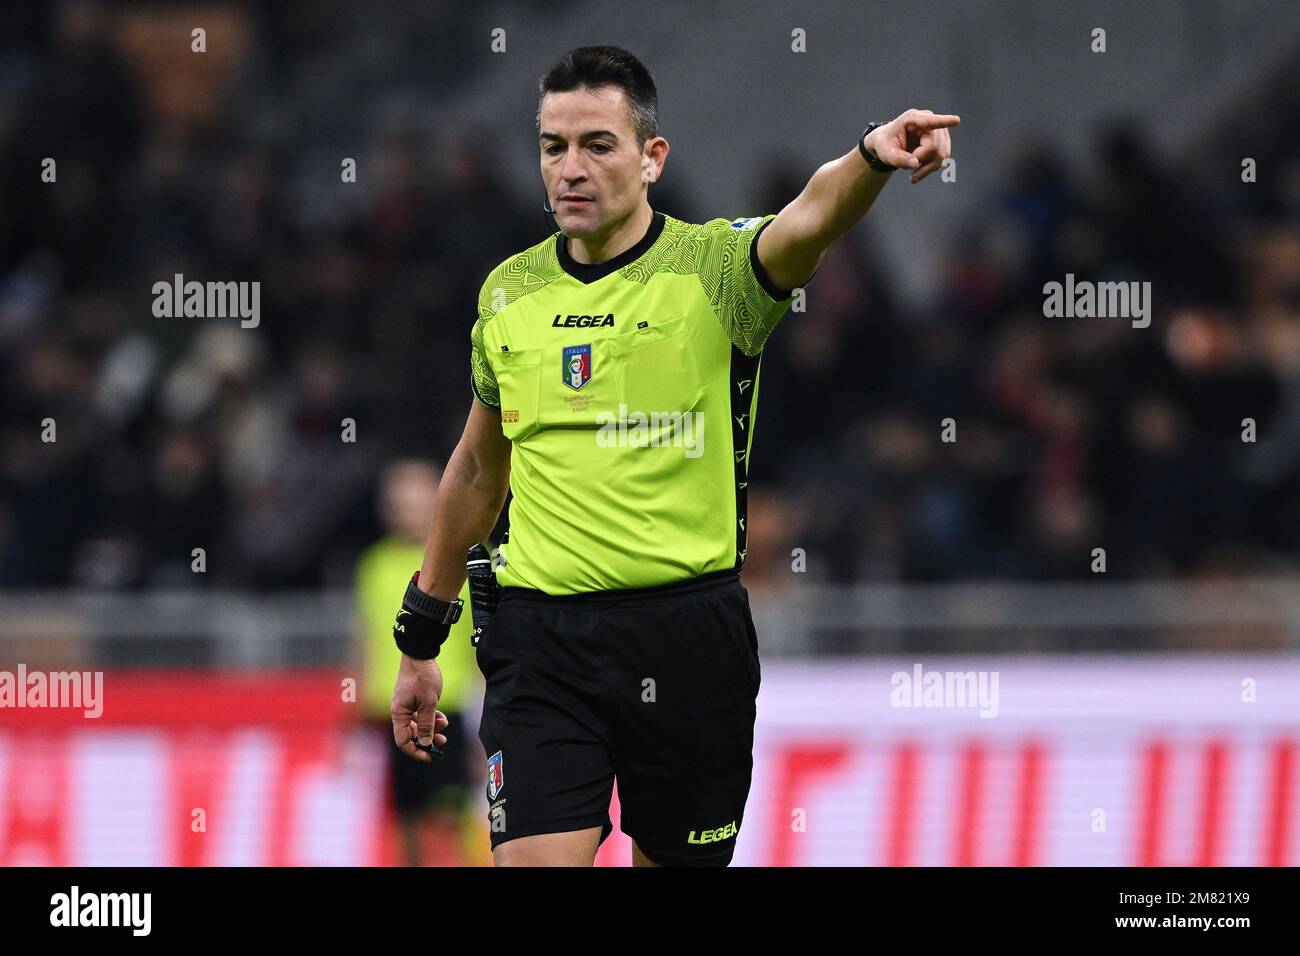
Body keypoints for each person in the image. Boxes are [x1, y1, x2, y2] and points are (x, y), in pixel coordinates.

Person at [388, 45, 957, 866]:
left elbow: (809, 217)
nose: (570, 170)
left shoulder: (717, 270)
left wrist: (872, 155)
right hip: (542, 643)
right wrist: (420, 638)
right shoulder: (508, 293)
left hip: (690, 642)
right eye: (553, 147)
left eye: (597, 145)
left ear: (652, 157)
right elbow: (479, 470)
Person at [355, 459, 481, 865]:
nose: (407, 512)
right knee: (405, 814)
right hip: (389, 708)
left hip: (452, 704)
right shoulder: (374, 565)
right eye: (399, 504)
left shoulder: (468, 556)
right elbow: (367, 638)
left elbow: (488, 642)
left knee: (457, 809)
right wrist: (354, 708)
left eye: (416, 502)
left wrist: (491, 717)